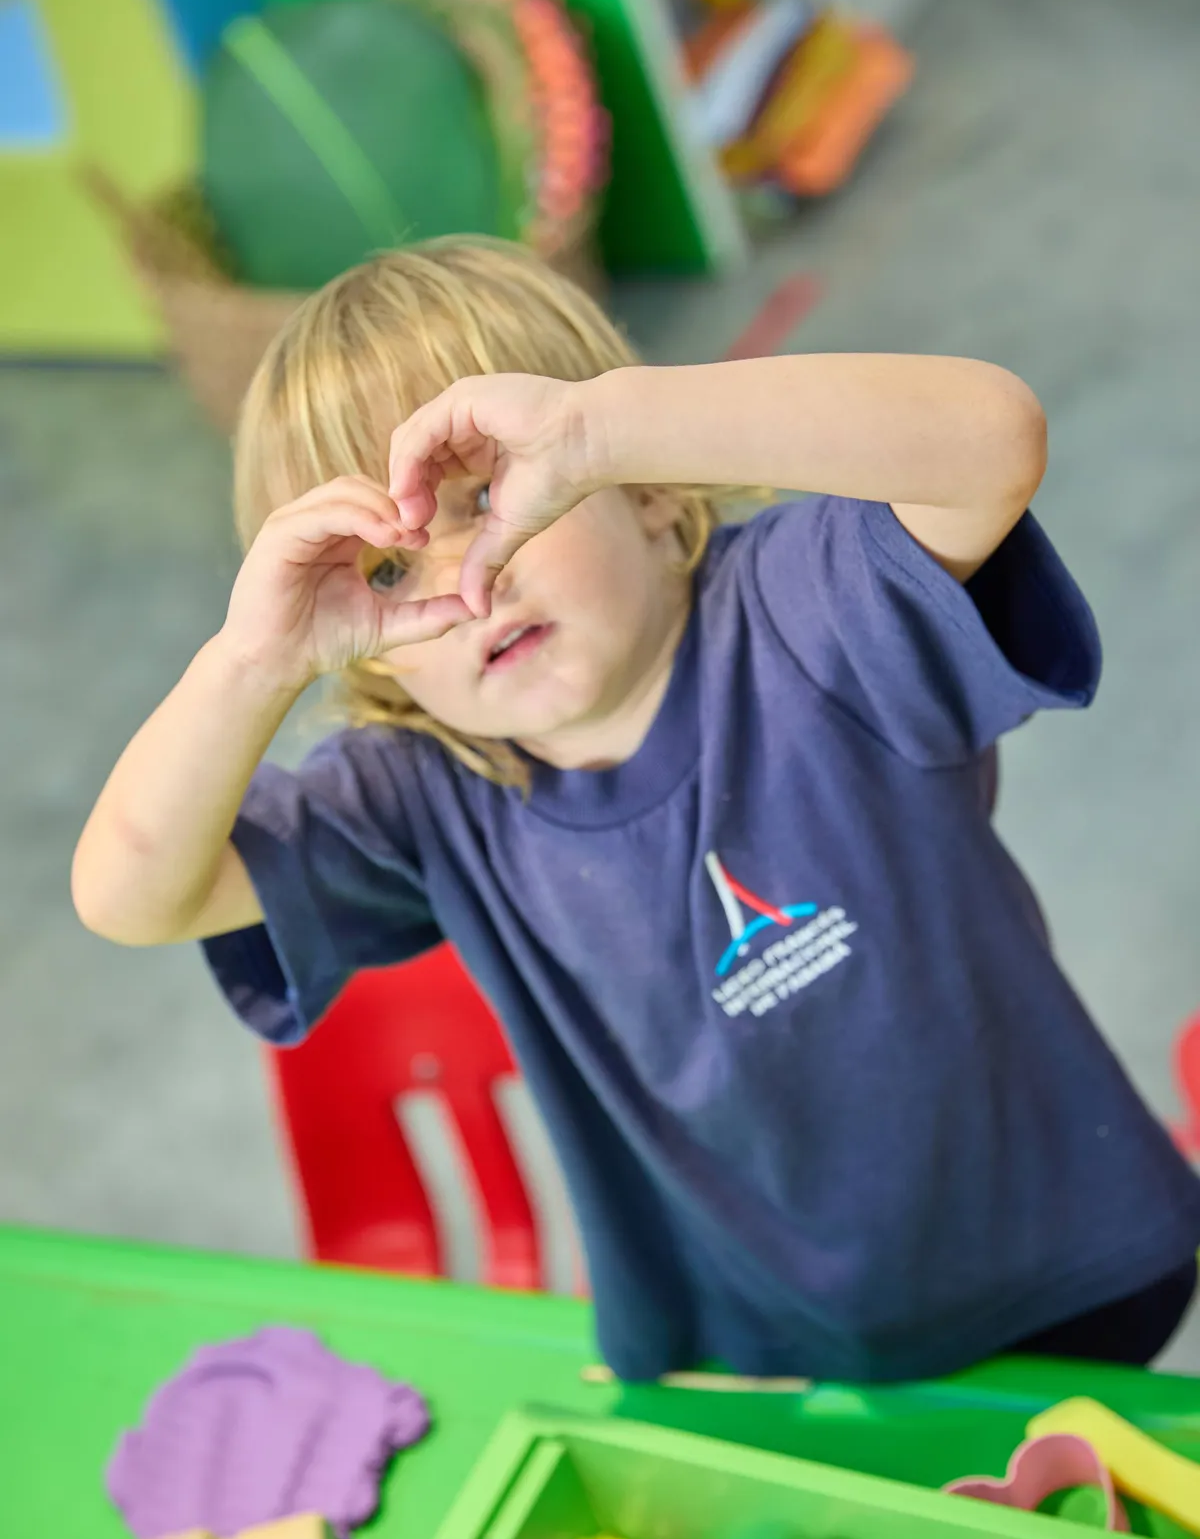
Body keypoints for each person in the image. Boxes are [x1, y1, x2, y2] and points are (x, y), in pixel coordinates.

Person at [73, 237, 1200, 1382]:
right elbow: (130, 895)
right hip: (757, 1367)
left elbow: (991, 441)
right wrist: (253, 661)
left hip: (1072, 1273)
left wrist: (604, 427)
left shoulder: (804, 616)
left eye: (494, 495)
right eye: (387, 574)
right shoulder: (419, 792)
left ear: (653, 493)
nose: (471, 580)